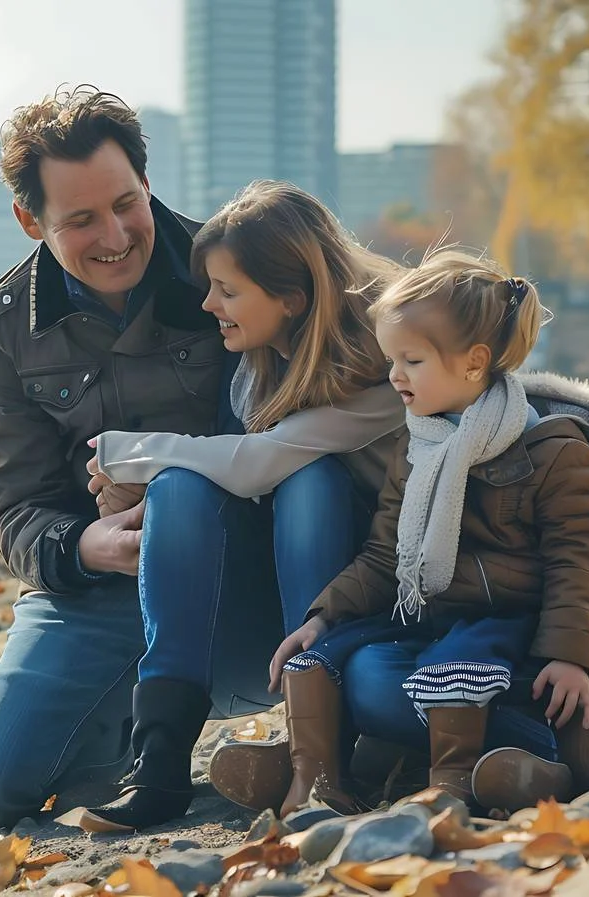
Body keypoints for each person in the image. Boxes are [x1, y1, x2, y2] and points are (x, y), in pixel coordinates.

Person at [0, 87, 290, 831]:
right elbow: (15, 506)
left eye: (125, 203)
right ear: (29, 221)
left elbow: (318, 420)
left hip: (244, 575)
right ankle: (123, 739)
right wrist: (85, 545)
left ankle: (342, 730)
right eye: (81, 220)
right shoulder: (3, 326)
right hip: (100, 590)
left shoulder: (227, 271)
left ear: (146, 181)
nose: (116, 235)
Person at [213, 248, 589, 817]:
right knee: (343, 662)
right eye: (392, 359)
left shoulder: (557, 451)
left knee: (452, 668)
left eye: (410, 361)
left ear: (472, 362)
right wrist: (323, 616)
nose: (394, 376)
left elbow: (574, 566)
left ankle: (487, 778)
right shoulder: (420, 445)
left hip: (510, 638)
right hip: (433, 628)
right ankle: (315, 777)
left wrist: (568, 657)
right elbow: (386, 554)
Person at [66, 180, 406, 830]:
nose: (209, 304)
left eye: (227, 289)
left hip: (384, 593)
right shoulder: (258, 369)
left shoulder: (391, 360)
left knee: (312, 481)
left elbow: (262, 463)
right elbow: (232, 474)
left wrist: (123, 452)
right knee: (181, 486)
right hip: (282, 606)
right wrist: (143, 484)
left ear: (291, 299)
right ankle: (160, 762)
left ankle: (322, 752)